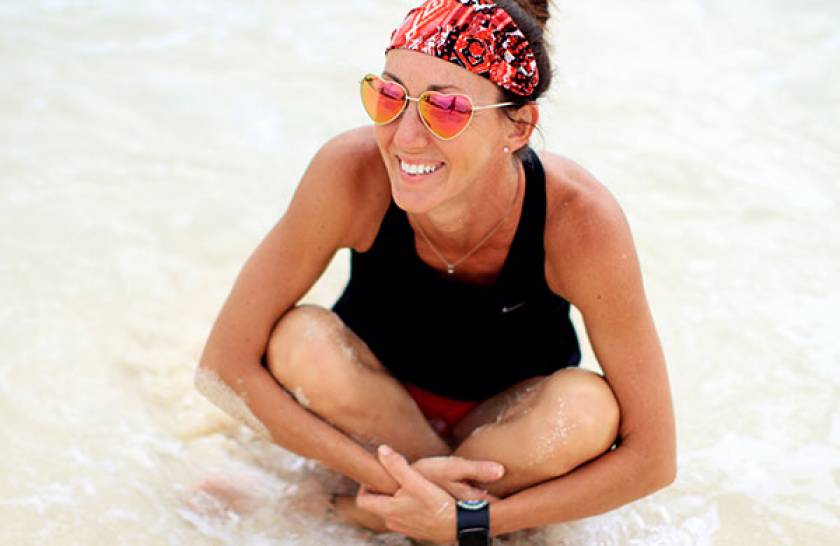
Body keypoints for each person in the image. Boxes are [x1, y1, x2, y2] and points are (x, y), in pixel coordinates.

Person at [195, 0, 676, 543]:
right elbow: (224, 364)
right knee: (299, 339)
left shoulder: (579, 221)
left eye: (445, 109)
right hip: (371, 419)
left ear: (517, 126)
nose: (404, 137)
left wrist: (472, 523)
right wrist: (402, 483)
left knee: (588, 408)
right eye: (390, 97)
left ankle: (352, 510)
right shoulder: (350, 172)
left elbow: (653, 457)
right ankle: (390, 510)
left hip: (504, 441)